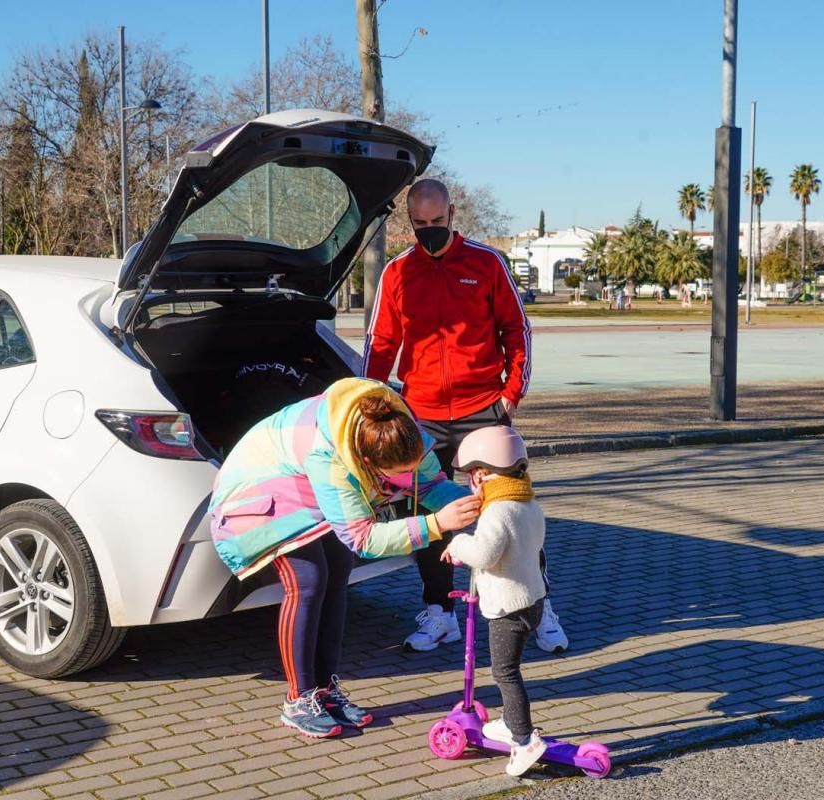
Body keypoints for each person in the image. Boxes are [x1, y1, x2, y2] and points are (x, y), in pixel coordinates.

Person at [363, 178, 569, 654]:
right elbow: (380, 345)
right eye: (420, 225)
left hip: (484, 410)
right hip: (422, 415)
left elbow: (516, 330)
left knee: (511, 512)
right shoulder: (397, 273)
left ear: (452, 213)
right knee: (428, 516)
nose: (429, 231)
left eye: (437, 222)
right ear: (409, 222)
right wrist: (372, 402)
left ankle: (539, 609)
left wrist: (510, 396)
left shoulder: (486, 262)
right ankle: (440, 613)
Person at [209, 377, 480, 739]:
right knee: (309, 581)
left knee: (338, 572)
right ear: (367, 461)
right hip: (260, 495)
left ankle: (326, 691)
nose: (406, 478)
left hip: (306, 485)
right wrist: (435, 524)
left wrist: (480, 504)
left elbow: (427, 484)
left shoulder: (398, 427)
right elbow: (363, 538)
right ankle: (299, 700)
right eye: (396, 475)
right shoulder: (332, 457)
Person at [441, 425, 549, 776]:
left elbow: (485, 553)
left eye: (473, 475)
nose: (472, 483)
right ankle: (509, 722)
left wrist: (458, 545)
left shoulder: (497, 512)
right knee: (509, 668)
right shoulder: (527, 502)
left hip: (508, 608)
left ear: (483, 474)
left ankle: (523, 740)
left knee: (505, 672)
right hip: (532, 600)